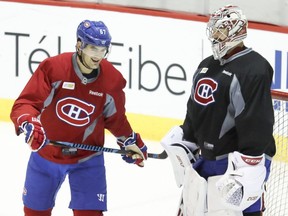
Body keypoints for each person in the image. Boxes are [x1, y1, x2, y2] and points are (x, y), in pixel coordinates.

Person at [10, 19, 148, 216]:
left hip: (88, 159)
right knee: (34, 212)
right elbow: (26, 103)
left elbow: (115, 119)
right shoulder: (53, 68)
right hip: (46, 154)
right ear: (79, 44)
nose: (98, 55)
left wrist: (128, 140)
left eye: (103, 49)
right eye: (93, 48)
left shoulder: (112, 80)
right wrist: (28, 122)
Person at [161, 5, 275, 216]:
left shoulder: (254, 69)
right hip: (209, 161)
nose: (215, 36)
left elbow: (257, 121)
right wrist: (187, 139)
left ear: (236, 32)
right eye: (214, 31)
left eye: (220, 31)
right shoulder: (207, 65)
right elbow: (195, 109)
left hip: (237, 164)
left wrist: (249, 166)